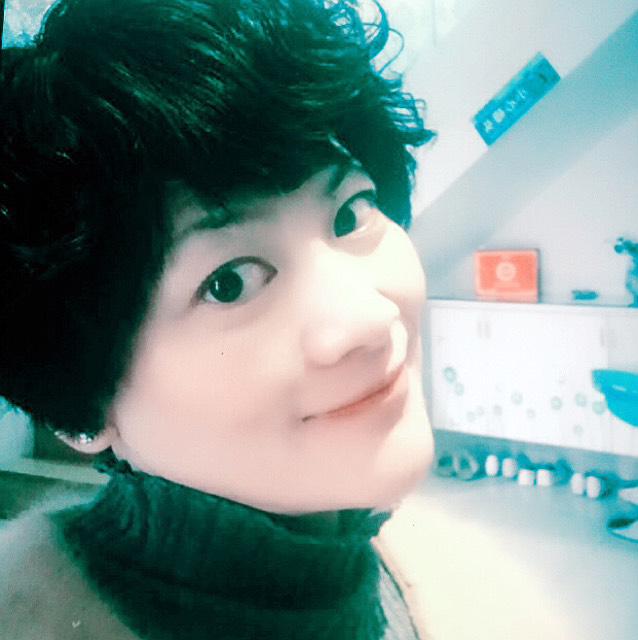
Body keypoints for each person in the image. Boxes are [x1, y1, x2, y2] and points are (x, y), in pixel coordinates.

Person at [0, 0, 436, 638]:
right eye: (230, 282)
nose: (369, 317)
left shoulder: (410, 569)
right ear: (80, 407)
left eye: (350, 213)